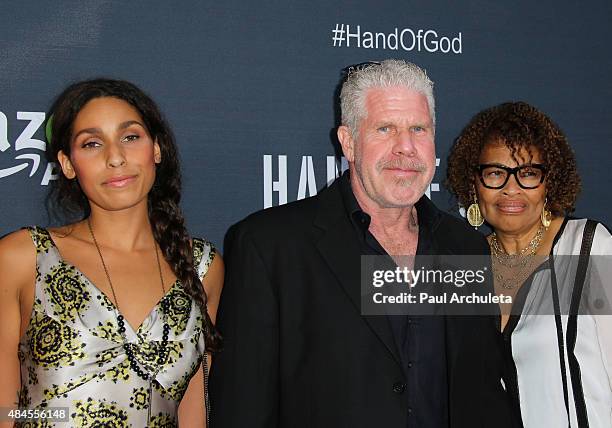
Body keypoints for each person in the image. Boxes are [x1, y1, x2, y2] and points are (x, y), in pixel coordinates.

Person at [210, 60, 512, 427]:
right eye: (385, 129)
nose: (406, 148)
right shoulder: (270, 247)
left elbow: (483, 394)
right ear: (348, 142)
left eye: (419, 129)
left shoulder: (465, 246)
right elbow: (243, 409)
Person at [0, 79, 223, 427]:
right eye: (91, 144)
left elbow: (194, 411)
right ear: (68, 163)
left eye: (130, 137)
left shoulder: (201, 266)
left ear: (157, 149)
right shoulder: (24, 257)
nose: (115, 157)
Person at [446, 101, 612, 427]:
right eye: (495, 173)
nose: (511, 189)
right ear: (473, 185)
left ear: (549, 183)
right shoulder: (467, 271)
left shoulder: (589, 248)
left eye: (528, 173)